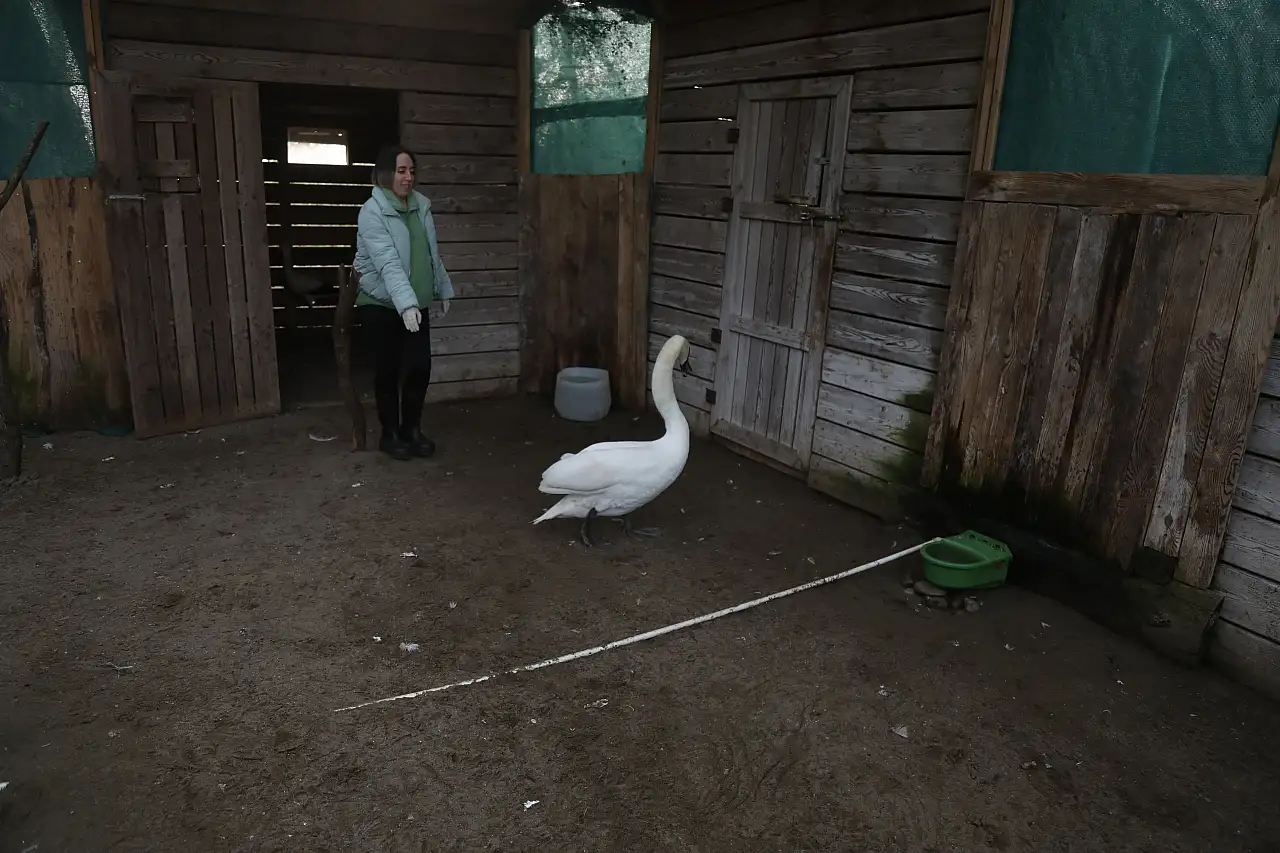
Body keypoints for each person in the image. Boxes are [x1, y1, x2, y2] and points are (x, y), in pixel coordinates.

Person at [352, 145, 454, 461]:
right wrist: (406, 304)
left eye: (411, 171)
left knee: (420, 367)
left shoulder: (421, 206)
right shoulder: (372, 211)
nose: (408, 177)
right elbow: (388, 263)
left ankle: (412, 429)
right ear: (385, 174)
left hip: (414, 303)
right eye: (401, 171)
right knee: (388, 370)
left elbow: (429, 254)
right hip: (380, 303)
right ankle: (390, 434)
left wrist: (442, 287)